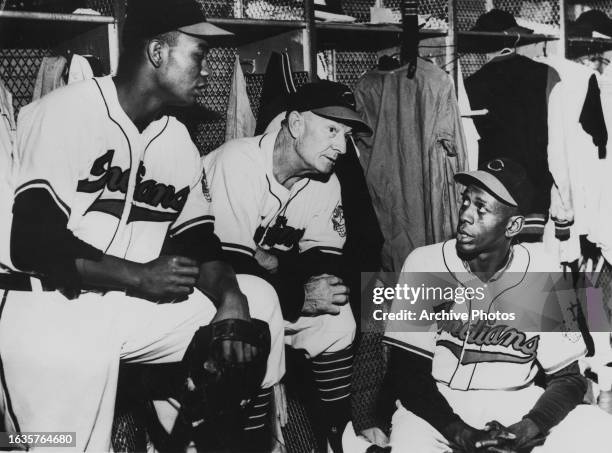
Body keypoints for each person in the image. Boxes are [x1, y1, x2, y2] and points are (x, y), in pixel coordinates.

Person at [0, 0, 284, 451]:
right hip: (50, 310)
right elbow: (32, 244)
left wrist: (231, 299)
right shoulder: (64, 113)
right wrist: (140, 275)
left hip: (130, 306)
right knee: (62, 446)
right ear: (157, 52)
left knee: (258, 301)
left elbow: (201, 244)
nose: (208, 70)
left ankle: (211, 434)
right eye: (199, 53)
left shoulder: (176, 141)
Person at [350, 158, 612, 452]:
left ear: (513, 225)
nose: (466, 215)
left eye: (481, 208)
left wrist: (527, 429)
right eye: (466, 202)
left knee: (600, 433)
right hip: (433, 406)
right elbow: (408, 376)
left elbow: (569, 379)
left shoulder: (546, 269)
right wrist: (462, 434)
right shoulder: (423, 262)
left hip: (516, 399)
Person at [203, 80, 372, 452]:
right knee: (258, 303)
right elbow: (231, 265)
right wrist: (292, 285)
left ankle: (337, 439)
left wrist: (274, 262)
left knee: (334, 316)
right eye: (331, 129)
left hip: (264, 288)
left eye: (346, 135)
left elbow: (325, 263)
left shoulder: (323, 180)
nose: (342, 147)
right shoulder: (239, 161)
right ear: (295, 124)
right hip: (201, 290)